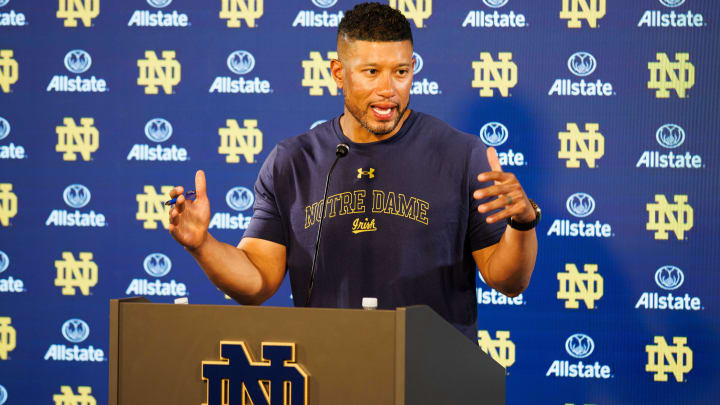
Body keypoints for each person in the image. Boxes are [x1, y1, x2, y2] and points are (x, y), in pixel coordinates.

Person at [167, 2, 538, 340]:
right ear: (338, 73)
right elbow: (257, 281)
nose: (388, 89)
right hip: (328, 372)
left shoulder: (461, 154)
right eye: (371, 72)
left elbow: (506, 280)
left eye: (401, 71)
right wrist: (203, 246)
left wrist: (522, 225)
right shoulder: (292, 162)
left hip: (433, 377)